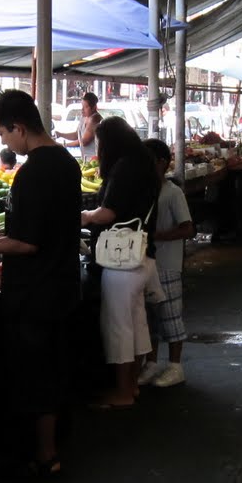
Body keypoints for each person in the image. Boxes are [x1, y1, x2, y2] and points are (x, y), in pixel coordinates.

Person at [0, 90, 80, 477]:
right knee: (54, 369)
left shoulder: (34, 173)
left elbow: (27, 243)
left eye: (2, 132)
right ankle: (55, 446)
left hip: (35, 292)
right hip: (61, 283)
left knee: (36, 375)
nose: (3, 141)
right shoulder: (66, 162)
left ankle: (45, 455)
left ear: (20, 127)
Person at [83, 116, 158, 408]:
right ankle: (132, 385)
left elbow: (108, 213)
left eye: (100, 142)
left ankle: (123, 392)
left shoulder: (124, 167)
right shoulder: (144, 163)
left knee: (119, 327)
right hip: (141, 255)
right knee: (137, 324)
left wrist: (85, 216)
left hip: (121, 260)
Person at [141, 138, 194, 389]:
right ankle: (151, 363)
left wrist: (156, 236)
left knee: (170, 315)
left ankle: (175, 365)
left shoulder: (173, 193)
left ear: (162, 163)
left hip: (168, 264)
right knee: (149, 317)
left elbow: (187, 228)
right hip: (147, 263)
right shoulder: (145, 191)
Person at [77, 92, 101, 161]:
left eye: (85, 107)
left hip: (94, 158)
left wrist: (64, 145)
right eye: (82, 106)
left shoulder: (95, 119)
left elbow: (84, 141)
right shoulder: (83, 117)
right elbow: (76, 134)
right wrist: (60, 134)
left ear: (93, 108)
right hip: (85, 158)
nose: (82, 109)